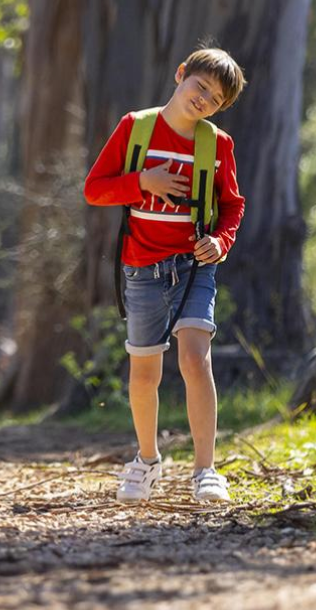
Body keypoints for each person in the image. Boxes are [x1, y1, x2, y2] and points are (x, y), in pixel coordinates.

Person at [82, 47, 248, 505]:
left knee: (196, 359)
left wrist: (221, 242)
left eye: (215, 99)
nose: (203, 100)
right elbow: (94, 189)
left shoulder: (217, 146)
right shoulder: (135, 128)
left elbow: (232, 205)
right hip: (141, 268)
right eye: (199, 87)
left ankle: (205, 470)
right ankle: (147, 460)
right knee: (144, 374)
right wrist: (142, 183)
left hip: (194, 267)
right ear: (180, 75)